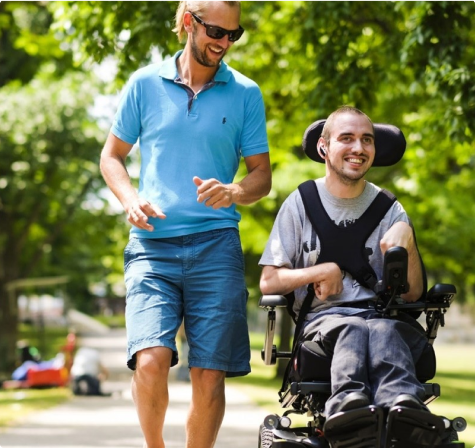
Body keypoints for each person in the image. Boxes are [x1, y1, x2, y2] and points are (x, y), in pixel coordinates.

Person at [100, 0, 271, 446]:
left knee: (210, 372)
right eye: (216, 32)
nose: (224, 44)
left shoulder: (246, 93)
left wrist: (235, 191)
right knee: (152, 359)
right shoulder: (144, 84)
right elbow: (112, 156)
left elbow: (261, 176)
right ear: (187, 22)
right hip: (152, 245)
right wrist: (129, 198)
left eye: (234, 35)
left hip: (217, 245)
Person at [259, 106, 439, 444]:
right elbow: (269, 281)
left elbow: (413, 293)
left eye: (366, 140)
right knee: (353, 326)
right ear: (324, 147)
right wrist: (319, 270)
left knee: (382, 328)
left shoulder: (391, 209)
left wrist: (407, 237)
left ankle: (403, 408)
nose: (359, 148)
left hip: (384, 318)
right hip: (323, 322)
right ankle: (348, 408)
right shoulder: (301, 203)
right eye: (347, 138)